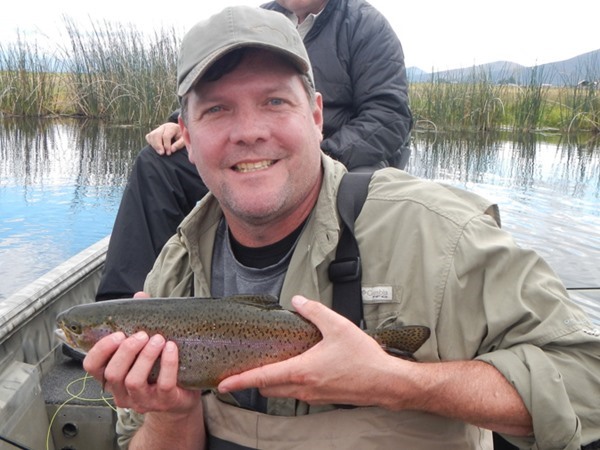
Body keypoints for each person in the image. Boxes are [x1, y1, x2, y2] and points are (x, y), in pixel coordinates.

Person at [83, 6, 600, 450]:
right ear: (186, 139)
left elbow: (588, 379)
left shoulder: (439, 238)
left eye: (275, 101)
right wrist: (172, 413)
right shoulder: (173, 273)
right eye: (217, 110)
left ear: (315, 116)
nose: (250, 132)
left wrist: (398, 381)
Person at [95, 0, 412, 301]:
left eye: (276, 100)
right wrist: (177, 126)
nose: (249, 132)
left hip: (344, 163)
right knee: (158, 163)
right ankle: (121, 312)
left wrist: (316, 155)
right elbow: (210, 90)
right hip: (282, 152)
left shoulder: (366, 26)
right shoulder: (261, 19)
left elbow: (388, 117)